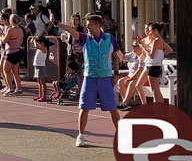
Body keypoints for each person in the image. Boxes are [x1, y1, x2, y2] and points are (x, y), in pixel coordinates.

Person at [51, 11, 124, 147]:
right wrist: (56, 23)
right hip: (89, 78)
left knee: (112, 108)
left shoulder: (110, 38)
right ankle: (81, 135)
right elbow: (71, 31)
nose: (87, 27)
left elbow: (115, 56)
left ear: (97, 25)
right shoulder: (85, 38)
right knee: (84, 107)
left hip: (105, 77)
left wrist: (116, 73)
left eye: (89, 25)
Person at [0, 14, 24, 96]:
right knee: (15, 72)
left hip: (11, 52)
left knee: (6, 71)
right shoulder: (20, 29)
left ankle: (10, 88)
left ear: (12, 20)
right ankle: (18, 88)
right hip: (18, 51)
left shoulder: (11, 30)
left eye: (10, 19)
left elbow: (4, 41)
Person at [31, 36, 50, 102]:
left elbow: (36, 46)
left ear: (42, 43)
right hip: (37, 65)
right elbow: (33, 43)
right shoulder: (39, 48)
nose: (37, 43)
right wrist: (33, 39)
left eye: (39, 42)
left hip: (41, 66)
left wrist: (34, 40)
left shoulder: (44, 48)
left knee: (43, 82)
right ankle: (40, 95)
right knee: (39, 81)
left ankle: (44, 96)